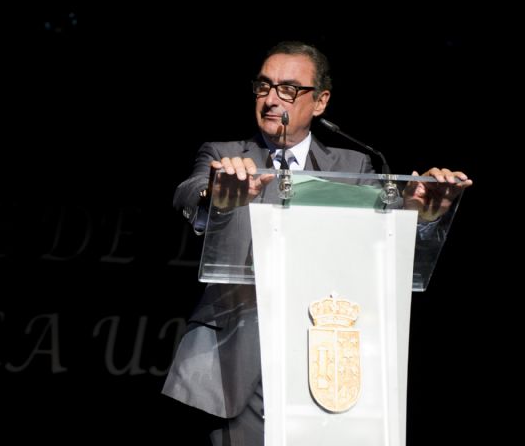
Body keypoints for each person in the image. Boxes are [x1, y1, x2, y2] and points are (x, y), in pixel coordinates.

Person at [162, 40, 472, 446]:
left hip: (326, 355)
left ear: (321, 101)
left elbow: (379, 251)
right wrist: (215, 196)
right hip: (239, 356)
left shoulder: (355, 165)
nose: (271, 99)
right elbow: (189, 193)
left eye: (288, 89)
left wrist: (421, 215)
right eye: (263, 86)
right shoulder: (226, 156)